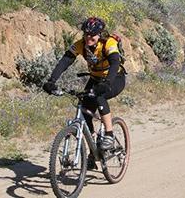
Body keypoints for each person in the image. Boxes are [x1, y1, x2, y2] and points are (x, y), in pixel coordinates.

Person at [43, 17, 126, 169]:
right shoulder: (81, 45)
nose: (88, 37)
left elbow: (115, 62)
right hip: (95, 79)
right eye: (86, 34)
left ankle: (108, 134)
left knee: (99, 96)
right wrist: (51, 81)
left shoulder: (108, 43)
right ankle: (94, 153)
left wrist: (107, 83)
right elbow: (65, 61)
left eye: (92, 35)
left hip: (115, 78)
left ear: (99, 34)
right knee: (85, 111)